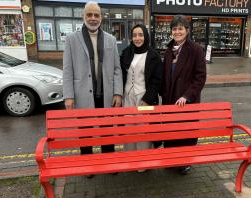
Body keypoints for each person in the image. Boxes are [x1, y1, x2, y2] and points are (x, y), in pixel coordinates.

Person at [63, 1, 123, 157]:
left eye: (96, 15)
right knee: (85, 132)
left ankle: (108, 161)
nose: (93, 18)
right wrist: (68, 96)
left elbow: (117, 68)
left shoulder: (110, 39)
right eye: (89, 14)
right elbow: (67, 70)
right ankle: (87, 164)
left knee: (107, 132)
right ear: (84, 16)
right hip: (82, 93)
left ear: (101, 17)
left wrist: (118, 93)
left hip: (106, 93)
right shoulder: (71, 39)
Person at [161, 15, 206, 175]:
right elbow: (164, 76)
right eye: (174, 29)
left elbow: (200, 78)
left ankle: (184, 162)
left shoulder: (196, 50)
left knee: (185, 133)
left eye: (180, 28)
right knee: (171, 132)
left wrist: (186, 96)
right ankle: (171, 160)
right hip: (170, 100)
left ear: (187, 30)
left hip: (186, 102)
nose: (177, 31)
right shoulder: (168, 51)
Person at [120, 24, 163, 159]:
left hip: (145, 97)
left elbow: (157, 79)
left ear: (145, 36)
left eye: (140, 35)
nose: (137, 38)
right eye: (134, 35)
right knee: (129, 128)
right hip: (127, 96)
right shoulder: (126, 52)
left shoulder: (153, 55)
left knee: (143, 129)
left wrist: (148, 99)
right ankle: (130, 156)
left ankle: (143, 158)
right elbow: (120, 73)